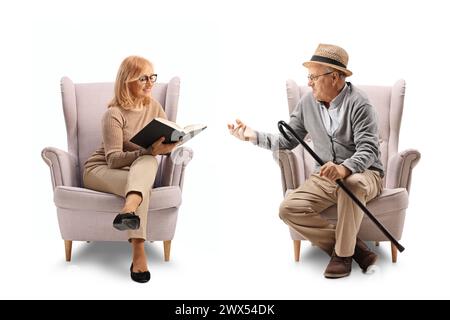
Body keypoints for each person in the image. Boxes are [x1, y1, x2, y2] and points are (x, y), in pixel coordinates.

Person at [228, 44, 383, 279]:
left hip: (364, 173)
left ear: (334, 77)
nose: (309, 82)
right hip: (325, 177)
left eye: (313, 77)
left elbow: (369, 148)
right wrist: (253, 135)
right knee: (288, 209)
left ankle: (342, 256)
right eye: (308, 77)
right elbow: (287, 140)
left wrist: (344, 168)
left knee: (352, 185)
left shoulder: (360, 103)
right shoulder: (307, 103)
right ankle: (360, 251)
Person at [83, 56, 179, 283]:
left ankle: (128, 209)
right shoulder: (113, 114)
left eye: (152, 77)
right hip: (100, 170)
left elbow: (160, 146)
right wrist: (149, 152)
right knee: (145, 171)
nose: (150, 83)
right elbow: (114, 160)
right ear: (127, 81)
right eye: (143, 78)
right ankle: (139, 253)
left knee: (148, 164)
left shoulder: (154, 107)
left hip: (135, 170)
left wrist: (170, 145)